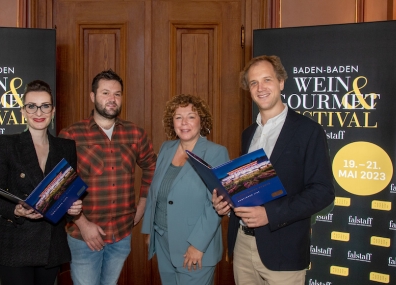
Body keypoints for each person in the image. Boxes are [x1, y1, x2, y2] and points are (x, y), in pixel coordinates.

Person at [212, 55, 335, 285]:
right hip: (242, 246)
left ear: (281, 82)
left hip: (284, 252)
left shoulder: (308, 130)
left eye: (267, 79)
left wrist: (270, 214)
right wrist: (226, 203)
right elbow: (250, 188)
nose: (261, 88)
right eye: (253, 83)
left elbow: (322, 192)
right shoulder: (248, 134)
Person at [59, 69, 157, 285]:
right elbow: (60, 186)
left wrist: (142, 206)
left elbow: (152, 166)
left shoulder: (135, 134)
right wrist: (82, 224)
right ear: (93, 97)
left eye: (117, 94)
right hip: (84, 236)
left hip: (122, 232)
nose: (112, 99)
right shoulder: (71, 135)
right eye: (105, 93)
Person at [0, 80, 83, 285]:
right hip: (14, 245)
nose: (38, 112)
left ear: (53, 110)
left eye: (45, 106)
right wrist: (16, 210)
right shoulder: (7, 145)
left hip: (50, 247)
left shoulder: (66, 147)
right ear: (23, 110)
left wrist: (73, 207)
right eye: (32, 106)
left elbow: (64, 196)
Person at [141, 94, 229, 285]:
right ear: (171, 122)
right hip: (164, 242)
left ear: (201, 121)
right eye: (178, 117)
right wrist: (150, 231)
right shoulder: (166, 148)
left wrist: (198, 245)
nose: (184, 123)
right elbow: (155, 190)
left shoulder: (216, 153)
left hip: (195, 247)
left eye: (191, 116)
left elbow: (217, 205)